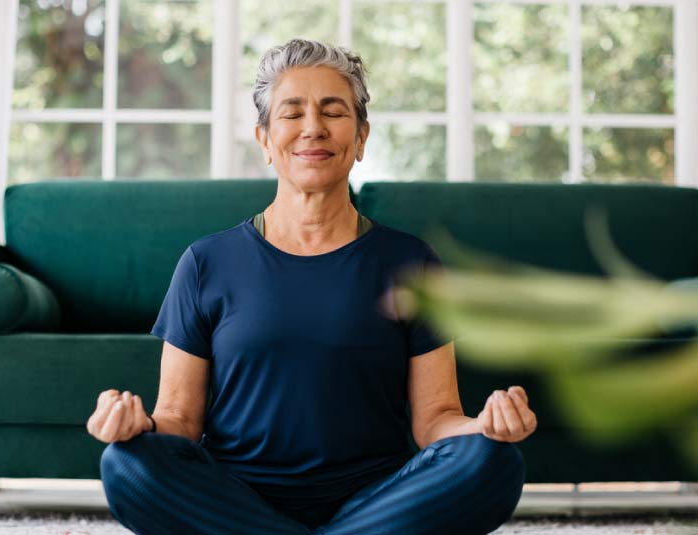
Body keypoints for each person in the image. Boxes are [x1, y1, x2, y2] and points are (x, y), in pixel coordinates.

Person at [88, 38, 536, 535]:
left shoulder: (411, 263)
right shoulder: (206, 262)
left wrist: (485, 427)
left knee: (494, 462)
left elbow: (436, 421)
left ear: (361, 137)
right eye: (292, 112)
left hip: (376, 499)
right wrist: (137, 426)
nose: (312, 128)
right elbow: (178, 421)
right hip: (235, 496)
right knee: (125, 464)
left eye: (333, 111)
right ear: (264, 139)